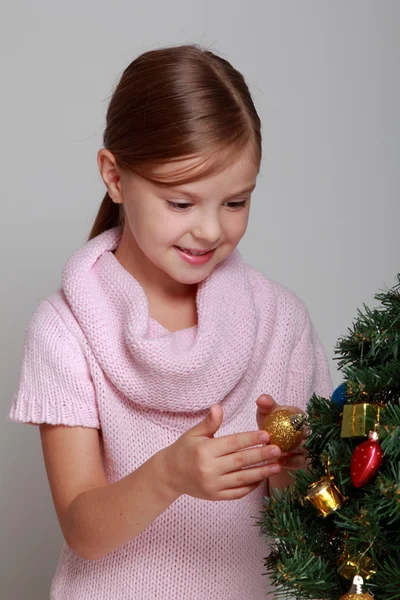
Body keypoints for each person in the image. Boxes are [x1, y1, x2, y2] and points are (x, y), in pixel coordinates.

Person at [9, 44, 333, 599]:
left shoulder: (281, 322)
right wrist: (170, 476)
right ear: (115, 177)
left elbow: (305, 523)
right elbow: (83, 529)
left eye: (235, 203)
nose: (210, 231)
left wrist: (290, 465)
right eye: (181, 203)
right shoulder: (65, 330)